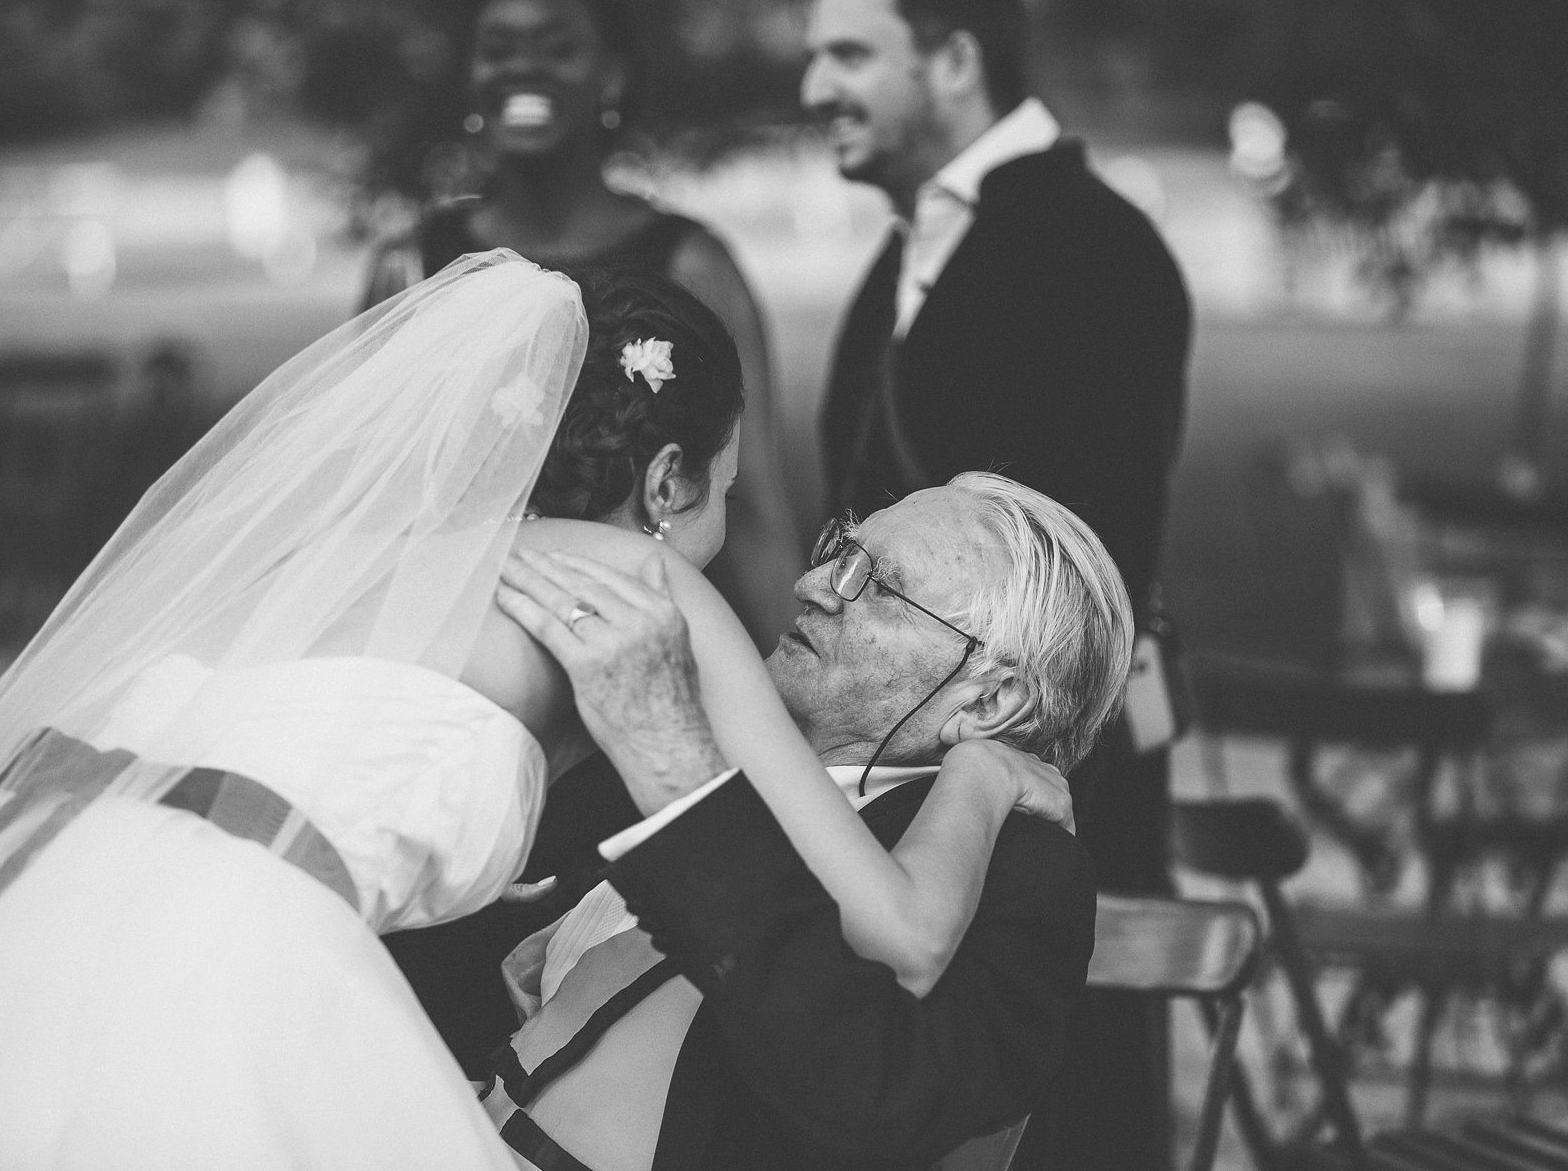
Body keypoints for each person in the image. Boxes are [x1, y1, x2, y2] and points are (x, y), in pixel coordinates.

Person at [0, 254, 1067, 1168]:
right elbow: (908, 933)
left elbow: (297, 744)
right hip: (216, 943)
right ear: (664, 487)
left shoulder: (365, 558)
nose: (800, 577)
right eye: (731, 498)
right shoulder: (642, 584)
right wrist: (987, 776)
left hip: (8, 872)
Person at [800, 0, 1193, 1164]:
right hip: (915, 743)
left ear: (956, 59)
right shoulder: (918, 242)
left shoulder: (1095, 248)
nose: (817, 88)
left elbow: (1072, 566)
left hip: (1037, 759)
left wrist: (978, 771)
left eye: (852, 56)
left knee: (1053, 1100)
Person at [479, 471, 1135, 1171]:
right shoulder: (724, 735)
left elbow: (875, 1099)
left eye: (879, 585)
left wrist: (979, 777)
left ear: (989, 704)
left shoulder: (1025, 869)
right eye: (841, 551)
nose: (816, 583)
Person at [361, 0, 804, 653]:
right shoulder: (412, 265)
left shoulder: (690, 263)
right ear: (470, 76)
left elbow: (755, 509)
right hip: (460, 644)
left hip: (650, 640)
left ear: (613, 77)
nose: (523, 67)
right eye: (498, 46)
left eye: (557, 46)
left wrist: (794, 708)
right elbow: (371, 496)